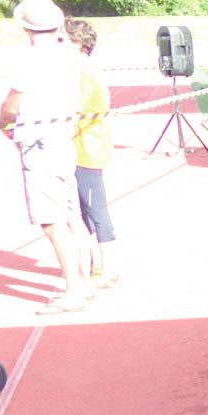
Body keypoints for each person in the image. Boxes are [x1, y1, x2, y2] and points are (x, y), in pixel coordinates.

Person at [0, 0, 90, 314]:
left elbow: (11, 105)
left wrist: (3, 124)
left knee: (51, 221)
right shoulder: (68, 54)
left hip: (40, 144)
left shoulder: (30, 59)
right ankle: (84, 282)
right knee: (69, 215)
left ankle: (74, 291)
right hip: (62, 140)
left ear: (25, 27)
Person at [64, 18, 119, 288]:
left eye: (64, 41)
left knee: (94, 207)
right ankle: (95, 263)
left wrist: (65, 129)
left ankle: (108, 266)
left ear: (79, 44)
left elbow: (91, 110)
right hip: (77, 147)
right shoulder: (77, 70)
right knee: (81, 210)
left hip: (86, 149)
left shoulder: (87, 71)